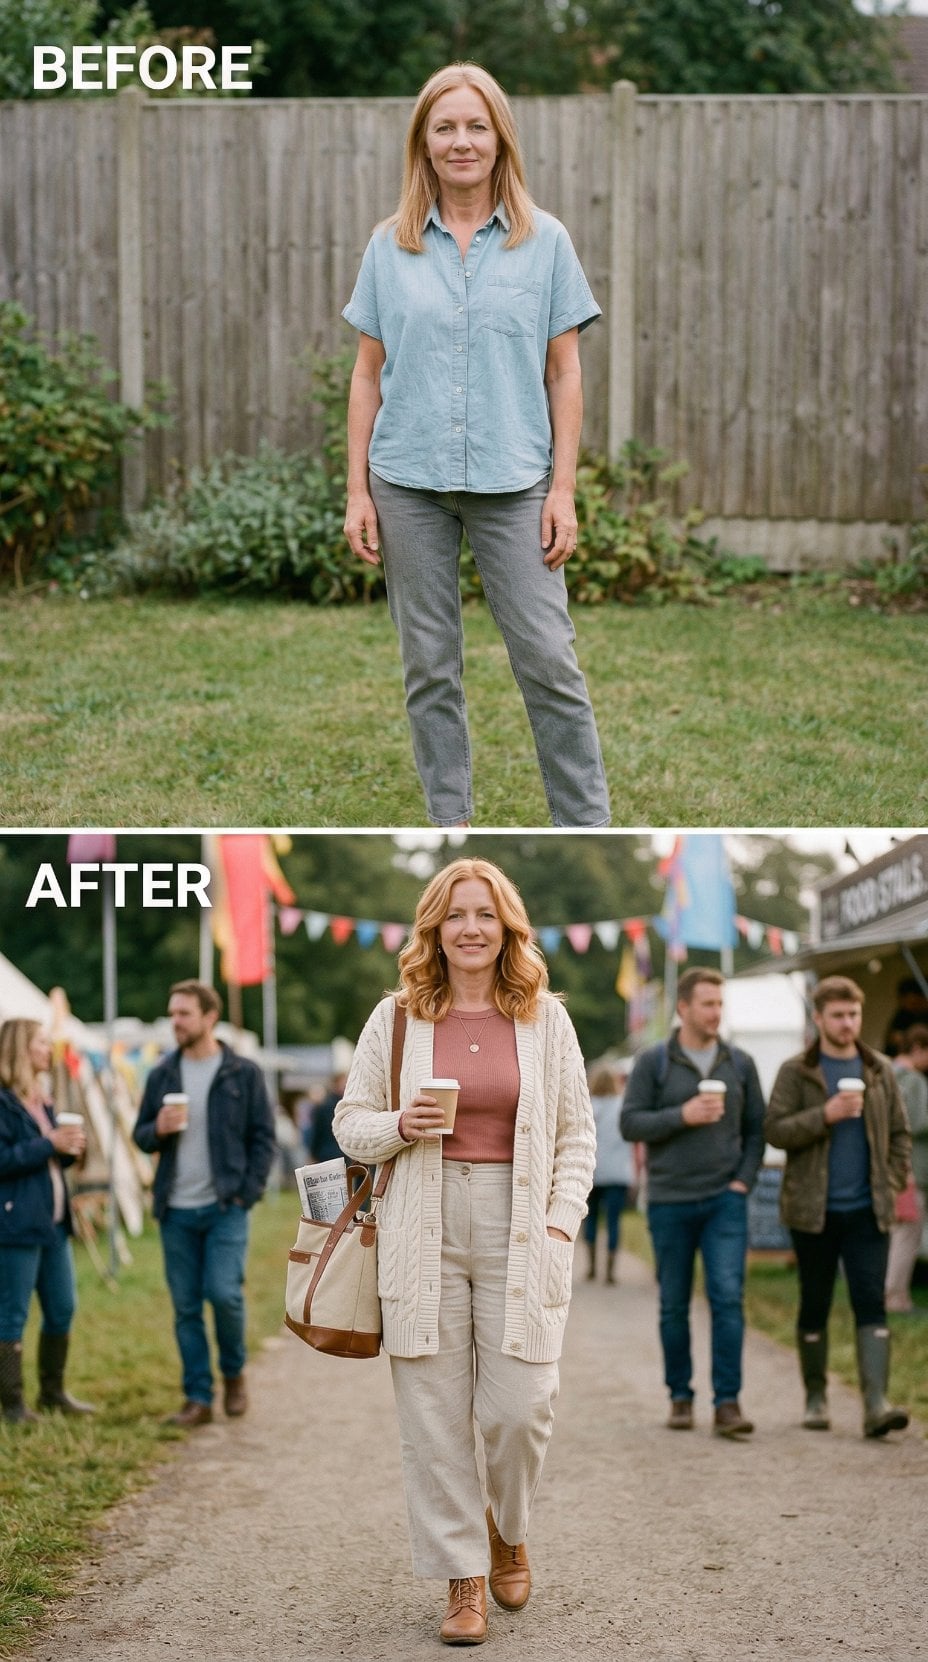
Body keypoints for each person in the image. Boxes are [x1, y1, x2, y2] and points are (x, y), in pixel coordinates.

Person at [333, 857, 595, 1645]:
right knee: (434, 1417)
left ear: (507, 927)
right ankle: (463, 1580)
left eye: (485, 914)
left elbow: (577, 1135)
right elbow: (350, 1123)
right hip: (423, 1221)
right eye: (455, 915)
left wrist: (558, 1224)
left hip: (520, 1222)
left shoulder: (545, 1018)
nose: (471, 929)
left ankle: (507, 1528)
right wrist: (397, 1126)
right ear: (433, 930)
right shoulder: (399, 1018)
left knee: (522, 1411)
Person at [342, 61, 610, 830]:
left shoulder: (546, 242)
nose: (462, 142)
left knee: (551, 666)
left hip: (516, 482)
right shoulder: (388, 247)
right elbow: (367, 376)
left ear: (500, 140)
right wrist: (358, 492)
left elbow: (566, 373)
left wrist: (562, 491)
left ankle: (585, 823)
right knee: (429, 671)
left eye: (476, 127)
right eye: (445, 128)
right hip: (408, 484)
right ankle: (450, 822)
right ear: (423, 145)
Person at [620, 968, 765, 1437]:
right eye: (707, 1004)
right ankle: (680, 1397)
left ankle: (728, 1403)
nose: (716, 1012)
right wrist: (682, 1115)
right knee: (673, 1305)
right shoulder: (652, 1062)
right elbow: (631, 1124)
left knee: (727, 1299)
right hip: (669, 1200)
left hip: (725, 1198)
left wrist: (743, 1181)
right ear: (683, 1008)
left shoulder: (740, 1063)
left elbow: (757, 1131)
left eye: (720, 1004)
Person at [764, 975, 911, 1437]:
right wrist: (823, 1116)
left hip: (869, 1212)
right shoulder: (797, 1071)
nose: (848, 1024)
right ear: (819, 1018)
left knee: (872, 1301)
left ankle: (875, 1404)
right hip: (813, 1211)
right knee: (815, 1303)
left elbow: (901, 1135)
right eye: (839, 1016)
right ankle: (815, 1398)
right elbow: (775, 1130)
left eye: (854, 1015)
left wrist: (889, 1181)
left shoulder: (881, 1069)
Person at [133, 981, 276, 1427]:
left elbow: (263, 1139)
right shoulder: (161, 1074)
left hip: (225, 1206)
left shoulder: (243, 1073)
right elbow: (139, 1136)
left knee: (224, 1294)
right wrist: (156, 1127)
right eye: (172, 1013)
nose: (175, 1022)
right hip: (174, 1209)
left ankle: (233, 1375)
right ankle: (198, 1396)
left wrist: (247, 1193)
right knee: (186, 1306)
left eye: (184, 1014)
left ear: (209, 1017)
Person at [0, 1019, 95, 1422]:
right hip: (17, 1223)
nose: (48, 1048)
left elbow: (47, 1157)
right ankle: (12, 1404)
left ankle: (53, 1392)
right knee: (12, 1314)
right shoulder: (3, 1102)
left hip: (53, 1223)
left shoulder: (43, 1098)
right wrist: (48, 1143)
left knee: (62, 1307)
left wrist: (69, 1150)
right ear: (22, 1048)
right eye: (41, 1042)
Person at [885, 1025, 928, 1313]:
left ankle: (891, 1293)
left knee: (894, 1233)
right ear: (918, 1049)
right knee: (907, 1235)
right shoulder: (912, 1080)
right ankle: (895, 1297)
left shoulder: (886, 1074)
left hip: (890, 1167)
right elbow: (917, 1123)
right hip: (912, 1169)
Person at [584, 1063, 635, 1284]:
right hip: (617, 1171)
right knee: (614, 1221)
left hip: (591, 1172)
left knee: (591, 1218)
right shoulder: (623, 1107)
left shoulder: (587, 1106)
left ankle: (592, 1267)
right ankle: (610, 1271)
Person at [306, 1072, 350, 1165]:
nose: (346, 1086)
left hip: (334, 1153)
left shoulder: (325, 1105)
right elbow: (317, 1132)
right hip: (331, 1153)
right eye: (343, 1083)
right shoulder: (325, 1106)